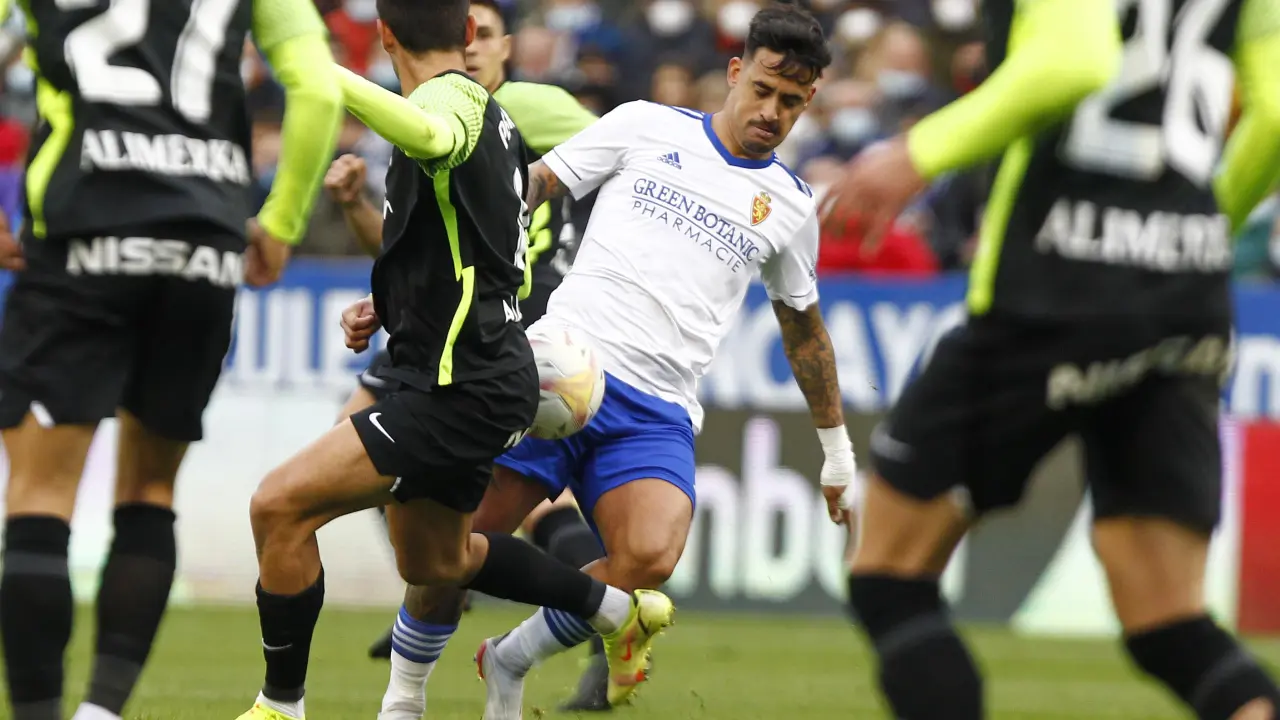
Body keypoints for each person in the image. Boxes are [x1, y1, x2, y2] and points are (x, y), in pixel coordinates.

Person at [821, 0, 1280, 717]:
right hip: (1185, 293)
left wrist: (918, 152)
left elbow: (1074, 58)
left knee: (888, 573)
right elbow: (1275, 114)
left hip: (1054, 283)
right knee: (1170, 625)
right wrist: (1201, 225)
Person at [392, 4, 849, 719]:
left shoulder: (790, 206)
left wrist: (837, 453)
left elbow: (805, 333)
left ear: (811, 100)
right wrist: (425, 269)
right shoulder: (645, 125)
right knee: (452, 544)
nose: (771, 112)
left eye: (791, 101)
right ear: (735, 72)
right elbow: (529, 187)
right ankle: (404, 699)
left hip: (657, 408)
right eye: (762, 89)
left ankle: (510, 657)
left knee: (650, 559)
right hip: (557, 367)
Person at [235, 2, 673, 719]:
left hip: (455, 388)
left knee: (278, 507)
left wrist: (321, 74)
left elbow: (432, 133)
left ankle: (278, 707)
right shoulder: (497, 118)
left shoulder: (451, 102)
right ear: (467, 33)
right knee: (440, 562)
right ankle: (617, 610)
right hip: (477, 375)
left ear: (384, 36)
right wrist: (390, 303)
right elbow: (474, 255)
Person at [0, 0, 344, 718]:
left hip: (83, 228)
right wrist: (281, 221)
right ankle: (101, 712)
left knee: (39, 495)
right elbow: (318, 88)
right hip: (201, 244)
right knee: (150, 491)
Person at [323, 5, 615, 705]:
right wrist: (359, 212)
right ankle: (444, 577)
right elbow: (407, 247)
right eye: (468, 32)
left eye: (485, 35)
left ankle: (574, 620)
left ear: (504, 47)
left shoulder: (523, 109)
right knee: (360, 446)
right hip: (431, 324)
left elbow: (624, 156)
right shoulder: (420, 111)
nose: (474, 47)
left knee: (529, 506)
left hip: (504, 326)